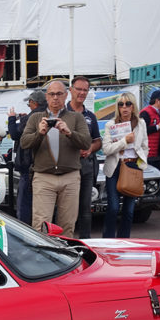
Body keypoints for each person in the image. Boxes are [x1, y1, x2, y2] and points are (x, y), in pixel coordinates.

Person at [19, 80, 92, 237]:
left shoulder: (76, 118)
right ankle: (41, 260)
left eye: (59, 94)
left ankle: (65, 258)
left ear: (66, 95)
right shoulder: (36, 118)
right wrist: (39, 133)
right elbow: (24, 143)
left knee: (67, 225)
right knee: (41, 226)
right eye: (52, 94)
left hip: (70, 176)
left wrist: (69, 133)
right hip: (43, 177)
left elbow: (87, 142)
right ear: (46, 96)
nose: (55, 98)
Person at [101, 92, 148, 239]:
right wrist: (124, 141)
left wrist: (140, 162)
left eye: (128, 104)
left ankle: (124, 241)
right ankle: (108, 240)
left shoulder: (141, 123)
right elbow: (106, 149)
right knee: (113, 208)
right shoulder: (111, 124)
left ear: (133, 106)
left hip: (133, 167)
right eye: (121, 104)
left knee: (129, 210)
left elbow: (145, 146)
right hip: (115, 168)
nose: (124, 107)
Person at [66, 76, 103, 239]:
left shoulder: (90, 116)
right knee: (66, 210)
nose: (81, 93)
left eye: (85, 90)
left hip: (86, 167)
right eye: (78, 89)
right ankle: (64, 244)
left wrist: (90, 149)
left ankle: (86, 245)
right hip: (66, 168)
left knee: (86, 210)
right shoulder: (62, 113)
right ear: (70, 90)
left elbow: (98, 142)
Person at [7, 90, 46, 225]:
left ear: (34, 103)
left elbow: (14, 134)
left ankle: (25, 234)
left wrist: (12, 118)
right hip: (43, 167)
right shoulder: (47, 115)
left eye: (29, 103)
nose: (28, 105)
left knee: (24, 205)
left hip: (28, 168)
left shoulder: (31, 117)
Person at [140, 89, 160, 161]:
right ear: (157, 101)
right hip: (150, 152)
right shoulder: (145, 112)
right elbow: (141, 131)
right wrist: (157, 127)